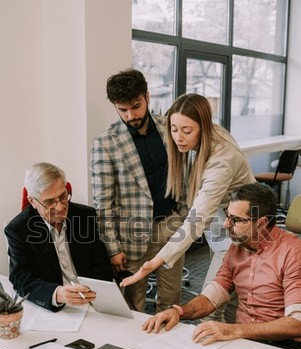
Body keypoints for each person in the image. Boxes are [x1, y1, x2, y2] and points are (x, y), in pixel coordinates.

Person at [122, 92, 255, 321]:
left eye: (187, 130)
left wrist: (152, 264)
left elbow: (198, 217)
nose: (178, 137)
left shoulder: (222, 160)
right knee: (230, 296)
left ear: (203, 127)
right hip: (222, 223)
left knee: (210, 305)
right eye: (174, 129)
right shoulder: (202, 140)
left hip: (243, 228)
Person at [142, 182, 301, 349]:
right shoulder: (236, 248)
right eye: (227, 215)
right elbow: (212, 297)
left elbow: (296, 324)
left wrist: (234, 330)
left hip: (282, 346)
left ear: (261, 223)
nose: (226, 224)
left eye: (236, 220)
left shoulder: (293, 252)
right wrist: (179, 311)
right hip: (245, 340)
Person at [90, 68, 186, 313]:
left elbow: (184, 173)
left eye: (136, 105)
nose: (131, 115)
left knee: (172, 299)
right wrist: (113, 248)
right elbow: (103, 203)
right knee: (134, 307)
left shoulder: (170, 128)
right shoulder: (105, 143)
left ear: (147, 96)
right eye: (123, 109)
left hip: (172, 225)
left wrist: (184, 216)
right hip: (131, 236)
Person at [5, 162, 113, 311]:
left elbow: (101, 264)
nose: (61, 207)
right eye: (49, 202)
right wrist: (57, 294)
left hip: (92, 300)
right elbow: (22, 278)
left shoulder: (85, 215)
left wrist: (94, 294)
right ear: (32, 201)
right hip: (54, 305)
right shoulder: (18, 229)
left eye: (63, 196)